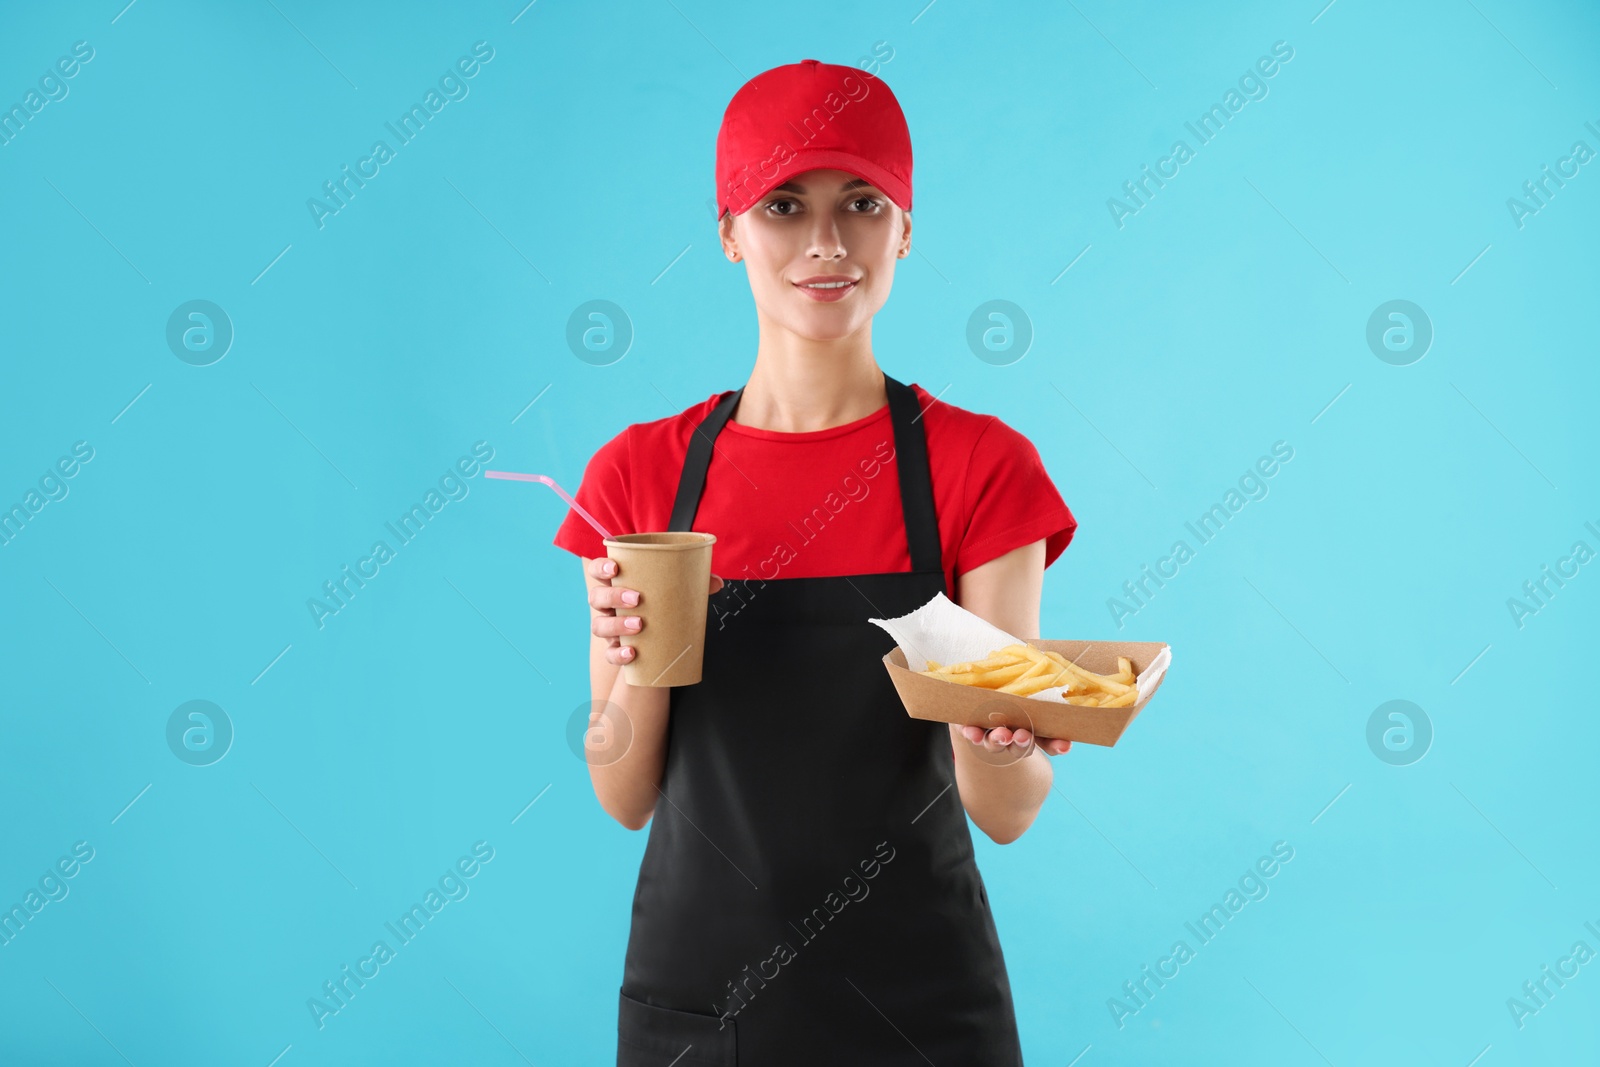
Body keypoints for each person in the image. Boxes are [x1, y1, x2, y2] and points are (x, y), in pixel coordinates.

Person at [553, 58, 1078, 1066]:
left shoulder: (981, 467)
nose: (827, 243)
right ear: (729, 232)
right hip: (705, 1011)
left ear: (907, 228)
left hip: (925, 1009)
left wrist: (1003, 728)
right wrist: (630, 651)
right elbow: (623, 796)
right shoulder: (641, 476)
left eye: (863, 202)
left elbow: (1006, 813)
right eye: (784, 205)